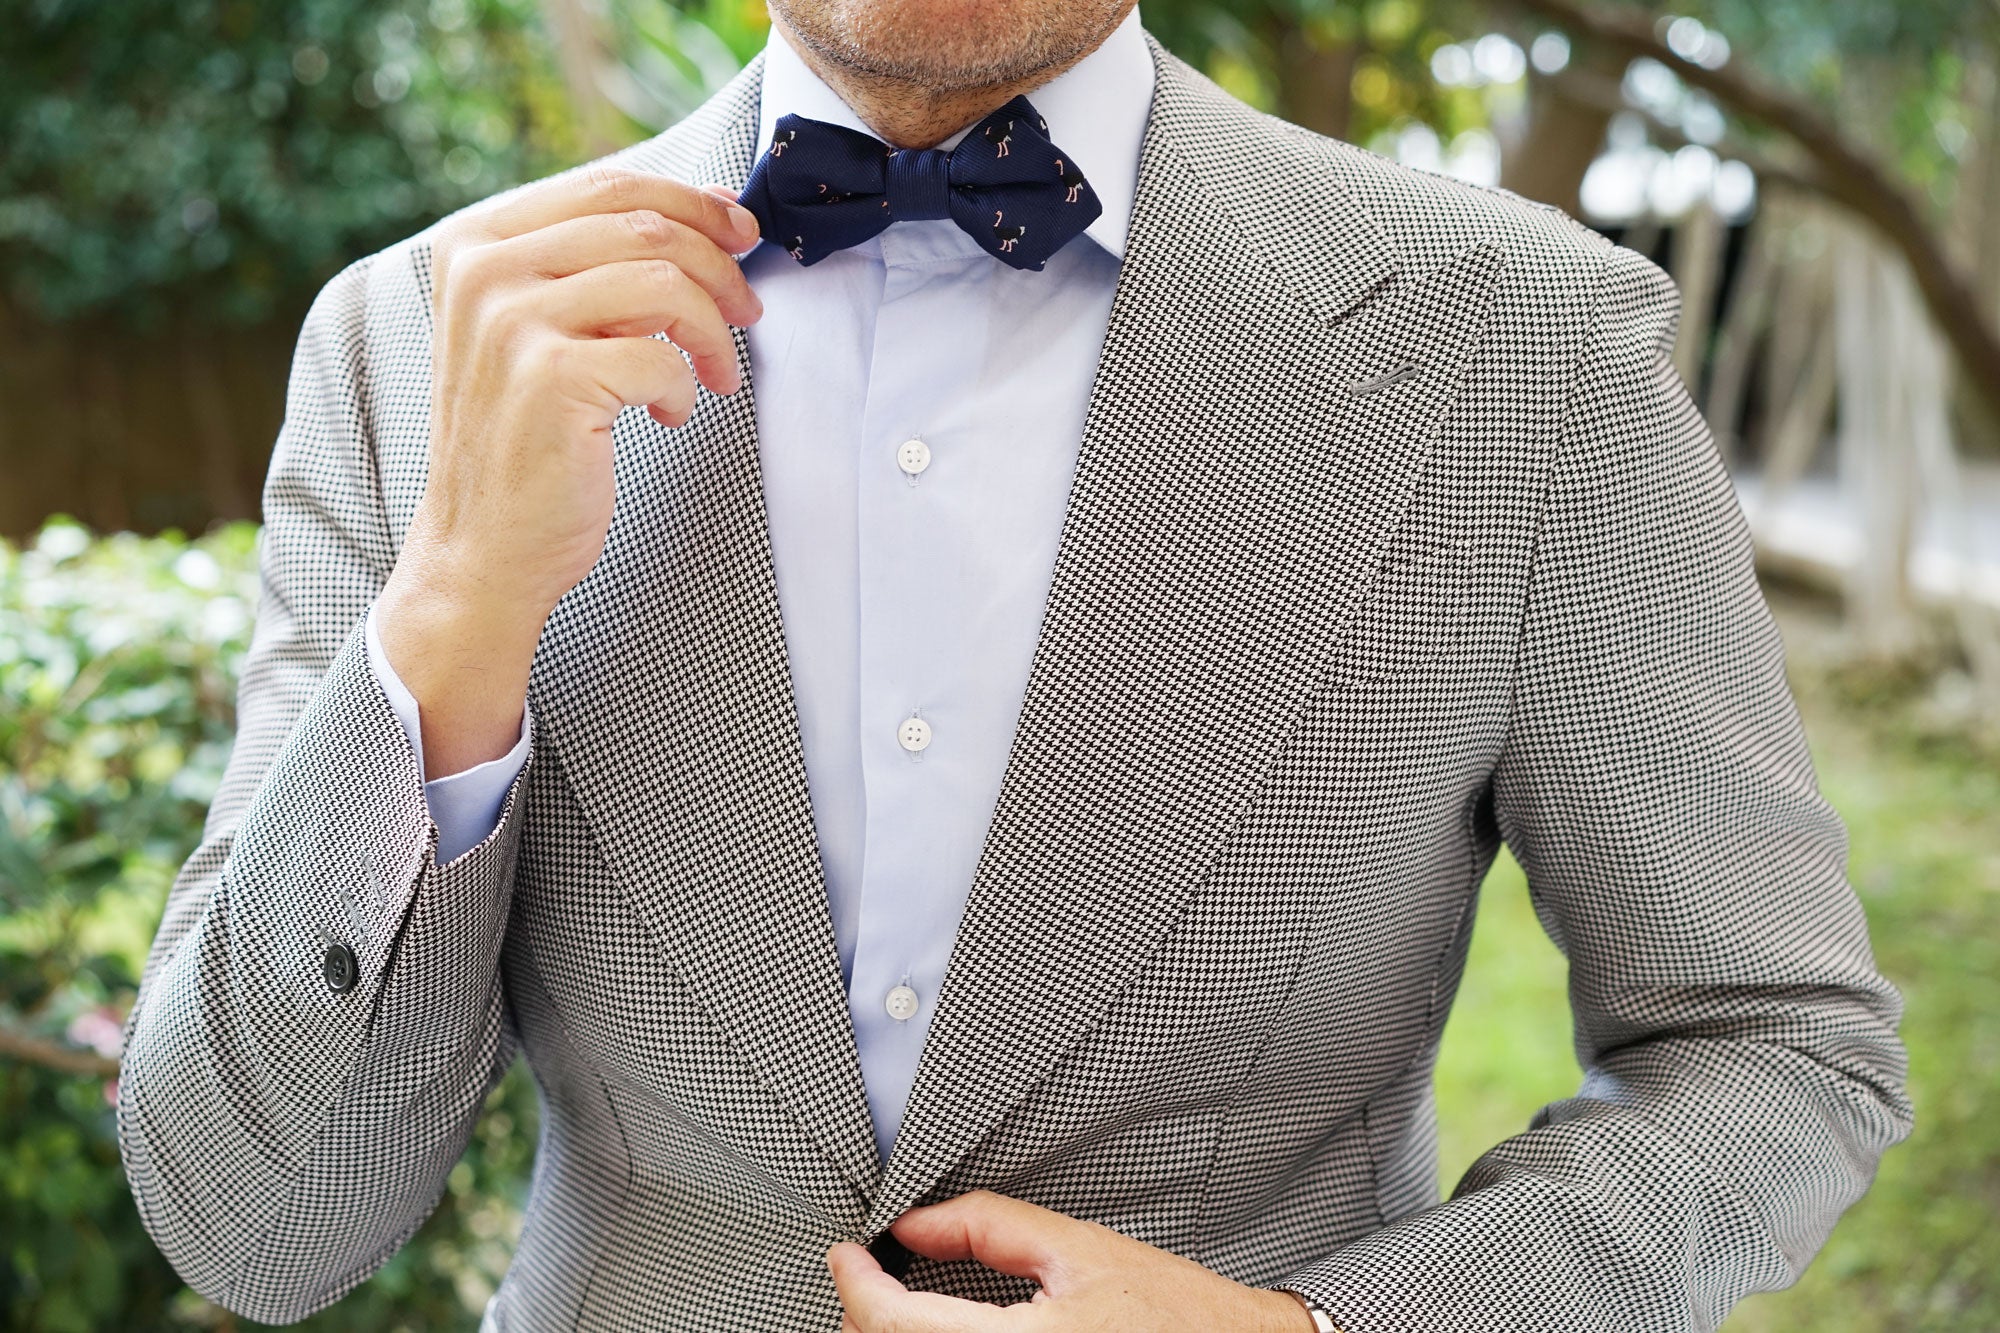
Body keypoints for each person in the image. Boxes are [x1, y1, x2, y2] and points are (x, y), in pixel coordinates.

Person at [115, 0, 1913, 1328]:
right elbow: (258, 1226)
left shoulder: (1529, 348)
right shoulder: (412, 341)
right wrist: (452, 618)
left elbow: (1772, 1048)